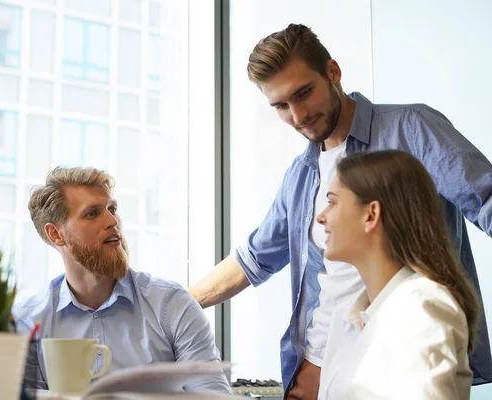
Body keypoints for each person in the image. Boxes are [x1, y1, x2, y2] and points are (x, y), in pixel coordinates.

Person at [188, 23, 492, 399]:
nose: (297, 115)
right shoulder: (301, 176)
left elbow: (487, 198)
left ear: (333, 73)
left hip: (390, 356)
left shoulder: (410, 129)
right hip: (319, 365)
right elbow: (253, 259)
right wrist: (174, 306)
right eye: (281, 105)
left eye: (303, 93)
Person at [13, 167, 231, 394]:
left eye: (112, 209)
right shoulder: (28, 321)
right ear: (56, 234)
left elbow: (212, 395)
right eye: (92, 213)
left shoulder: (172, 304)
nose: (112, 221)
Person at [316, 150, 478, 399]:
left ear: (371, 214)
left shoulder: (422, 306)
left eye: (333, 201)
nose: (321, 217)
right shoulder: (349, 315)